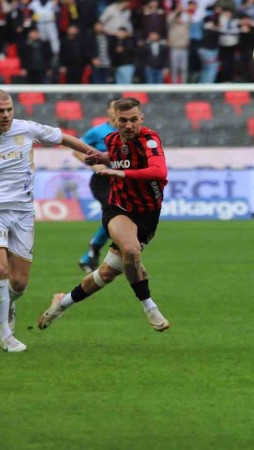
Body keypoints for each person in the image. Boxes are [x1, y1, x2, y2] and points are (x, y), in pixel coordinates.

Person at [0, 89, 104, 353]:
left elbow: (63, 138)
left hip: (23, 213)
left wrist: (94, 155)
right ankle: (5, 335)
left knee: (18, 284)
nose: (6, 115)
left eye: (9, 110)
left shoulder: (27, 129)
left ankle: (9, 302)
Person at [38, 97, 171, 333]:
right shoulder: (111, 140)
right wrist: (102, 158)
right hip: (119, 208)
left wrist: (123, 174)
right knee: (131, 251)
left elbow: (159, 172)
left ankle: (61, 303)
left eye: (133, 120)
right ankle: (149, 306)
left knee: (107, 274)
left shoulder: (149, 140)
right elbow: (120, 156)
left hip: (148, 215)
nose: (128, 125)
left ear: (141, 118)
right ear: (114, 120)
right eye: (123, 120)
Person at [77, 99, 117, 273]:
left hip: (124, 180)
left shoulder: (132, 133)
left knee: (118, 215)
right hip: (103, 181)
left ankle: (90, 255)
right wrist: (95, 165)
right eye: (114, 108)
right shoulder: (98, 132)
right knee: (114, 210)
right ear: (108, 111)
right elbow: (77, 149)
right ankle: (95, 248)